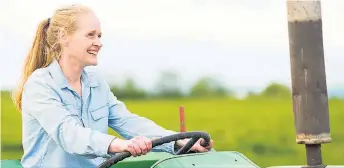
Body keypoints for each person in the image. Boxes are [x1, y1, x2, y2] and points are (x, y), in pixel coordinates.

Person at [12, 3, 214, 168]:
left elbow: (128, 122)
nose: (98, 42)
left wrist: (179, 141)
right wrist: (119, 144)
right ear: (64, 36)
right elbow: (69, 134)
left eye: (99, 36)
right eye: (90, 35)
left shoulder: (96, 83)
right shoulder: (40, 84)